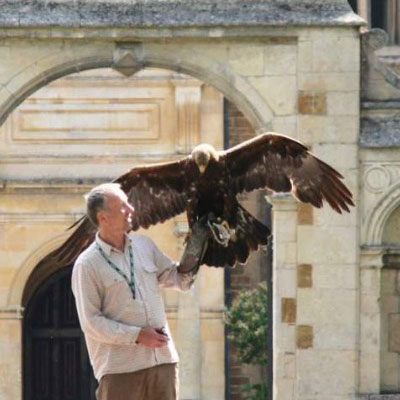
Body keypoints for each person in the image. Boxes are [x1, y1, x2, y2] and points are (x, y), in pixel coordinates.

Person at [71, 182, 209, 400]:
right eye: (123, 207)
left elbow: (179, 279)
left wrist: (197, 245)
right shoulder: (87, 265)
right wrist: (137, 336)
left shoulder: (144, 245)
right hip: (120, 370)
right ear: (103, 218)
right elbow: (91, 323)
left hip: (163, 362)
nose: (131, 210)